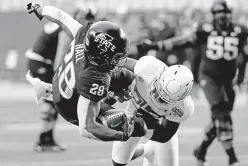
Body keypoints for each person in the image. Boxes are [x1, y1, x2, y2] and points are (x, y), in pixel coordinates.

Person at [137, 1, 248, 165]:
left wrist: (240, 79)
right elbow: (183, 41)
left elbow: (244, 58)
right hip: (210, 77)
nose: (223, 15)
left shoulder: (241, 31)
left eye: (225, 12)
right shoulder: (206, 30)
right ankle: (232, 158)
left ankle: (201, 150)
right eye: (219, 12)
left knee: (219, 118)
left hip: (228, 80)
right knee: (221, 113)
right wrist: (154, 45)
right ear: (213, 14)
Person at [26, 3, 133, 142]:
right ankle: (45, 136)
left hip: (61, 78)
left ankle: (51, 92)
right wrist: (119, 136)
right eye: (89, 17)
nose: (90, 21)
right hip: (47, 67)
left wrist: (41, 10)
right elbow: (86, 128)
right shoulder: (90, 71)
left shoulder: (81, 33)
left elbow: (60, 16)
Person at [25, 6, 97, 152]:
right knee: (53, 100)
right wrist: (60, 78)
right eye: (88, 19)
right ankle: (44, 139)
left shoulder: (65, 21)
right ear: (82, 16)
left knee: (55, 99)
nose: (88, 23)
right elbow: (59, 56)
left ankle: (47, 138)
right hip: (42, 63)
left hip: (41, 61)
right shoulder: (67, 28)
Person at [110, 55, 194, 166]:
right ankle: (148, 150)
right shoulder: (147, 68)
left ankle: (151, 150)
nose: (156, 99)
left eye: (164, 100)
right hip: (132, 114)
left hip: (156, 126)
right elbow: (115, 64)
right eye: (157, 91)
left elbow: (165, 135)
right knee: (118, 161)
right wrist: (113, 91)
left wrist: (141, 128)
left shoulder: (183, 109)